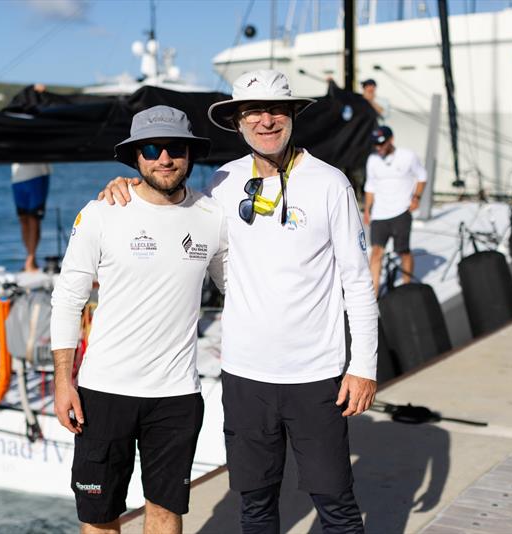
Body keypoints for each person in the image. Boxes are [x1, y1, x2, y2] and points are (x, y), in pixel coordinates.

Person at [101, 70, 378, 534]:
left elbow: (357, 281)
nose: (265, 121)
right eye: (253, 112)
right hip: (245, 376)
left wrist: (363, 365)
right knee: (255, 503)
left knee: (337, 504)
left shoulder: (331, 184)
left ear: (292, 116)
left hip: (317, 374)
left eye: (276, 110)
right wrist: (128, 187)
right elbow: (172, 209)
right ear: (237, 122)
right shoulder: (222, 183)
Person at [50, 105, 227, 534]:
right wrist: (62, 380)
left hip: (177, 395)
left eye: (175, 148)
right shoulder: (102, 212)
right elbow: (68, 299)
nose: (164, 158)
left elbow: (239, 290)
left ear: (190, 154)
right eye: (151, 148)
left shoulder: (213, 216)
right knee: (99, 517)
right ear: (136, 157)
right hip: (104, 392)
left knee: (165, 513)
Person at [364, 125, 428, 297]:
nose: (379, 148)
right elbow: (370, 186)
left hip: (401, 211)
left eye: (382, 143)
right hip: (380, 214)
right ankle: (374, 295)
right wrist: (367, 210)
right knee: (376, 252)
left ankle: (407, 286)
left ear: (391, 140)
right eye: (376, 145)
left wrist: (417, 197)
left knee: (403, 251)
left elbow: (422, 176)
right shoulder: (372, 160)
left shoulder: (407, 156)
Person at [11, 161, 52, 271]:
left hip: (37, 175)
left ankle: (30, 258)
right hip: (17, 178)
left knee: (34, 219)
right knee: (23, 219)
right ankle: (30, 258)